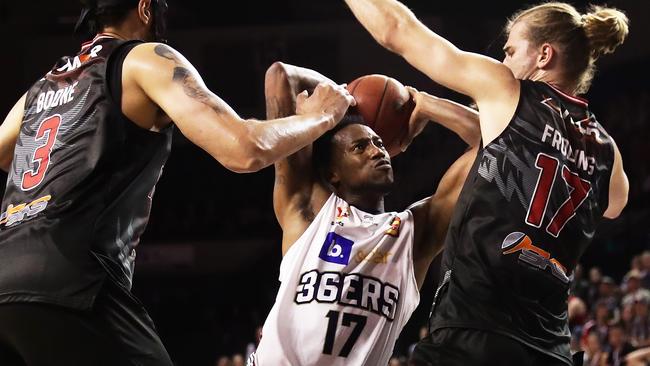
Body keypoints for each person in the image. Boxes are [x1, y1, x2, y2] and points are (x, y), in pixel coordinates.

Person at [0, 1, 354, 365]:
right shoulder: (144, 58)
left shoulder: (42, 88)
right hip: (75, 281)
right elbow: (245, 149)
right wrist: (323, 116)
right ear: (145, 9)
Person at [343, 0, 630, 365]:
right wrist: (431, 105)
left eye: (511, 51)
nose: (505, 61)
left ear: (544, 55)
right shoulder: (607, 150)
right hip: (549, 350)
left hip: (475, 333)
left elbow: (395, 30)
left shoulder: (507, 88)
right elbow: (614, 204)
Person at [249, 62, 480, 365]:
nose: (377, 151)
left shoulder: (414, 234)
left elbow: (492, 141)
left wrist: (424, 103)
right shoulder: (308, 210)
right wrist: (345, 98)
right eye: (360, 147)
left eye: (380, 143)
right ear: (333, 173)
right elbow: (280, 76)